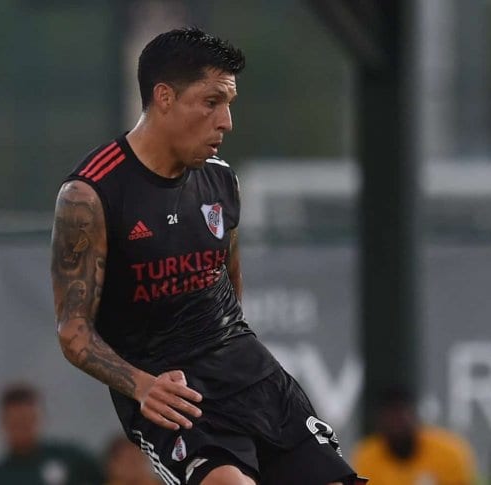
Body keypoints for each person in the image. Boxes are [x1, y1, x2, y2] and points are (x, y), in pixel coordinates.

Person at [50, 27, 361, 485]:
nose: (226, 122)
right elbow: (73, 331)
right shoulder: (90, 195)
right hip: (172, 394)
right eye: (212, 102)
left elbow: (230, 284)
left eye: (229, 104)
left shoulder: (221, 180)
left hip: (248, 372)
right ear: (165, 98)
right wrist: (142, 387)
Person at [0, 383, 103, 485]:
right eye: (16, 422)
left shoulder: (69, 457)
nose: (23, 428)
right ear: (4, 423)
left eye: (28, 420)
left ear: (40, 418)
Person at [352, 387, 476, 485]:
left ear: (415, 416)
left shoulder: (448, 452)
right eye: (390, 417)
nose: (396, 423)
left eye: (401, 415)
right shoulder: (367, 458)